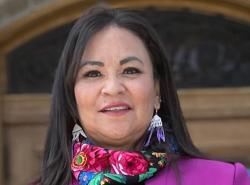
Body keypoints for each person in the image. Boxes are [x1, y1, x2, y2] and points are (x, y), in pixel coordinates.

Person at [39, 7, 250, 185]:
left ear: (157, 91)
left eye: (131, 70)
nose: (113, 88)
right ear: (71, 97)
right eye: (93, 73)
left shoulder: (225, 179)